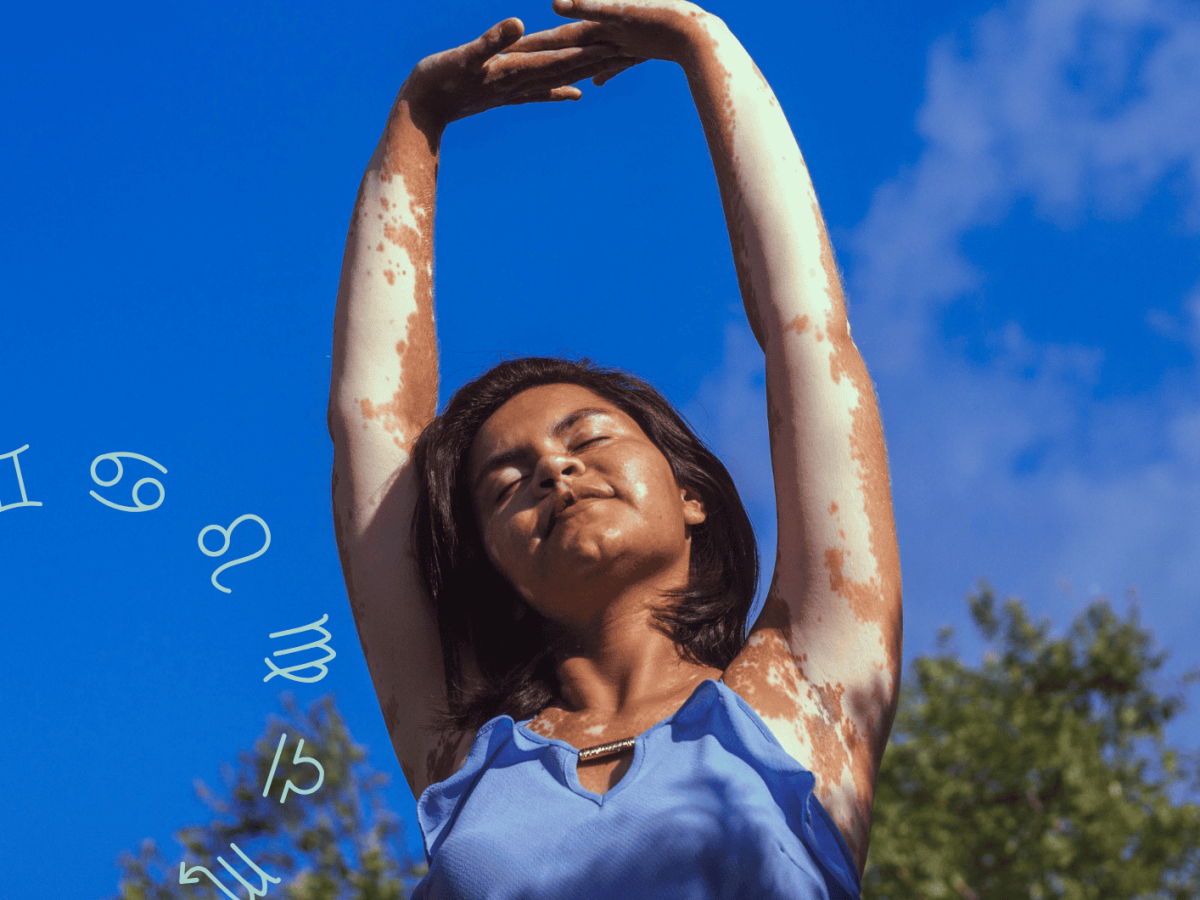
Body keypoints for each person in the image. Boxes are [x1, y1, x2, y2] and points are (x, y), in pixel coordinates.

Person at [327, 1, 902, 896]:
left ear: (691, 494)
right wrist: (414, 124)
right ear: (492, 560)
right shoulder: (463, 754)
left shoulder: (802, 696)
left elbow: (807, 335)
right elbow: (373, 427)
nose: (554, 471)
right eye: (504, 483)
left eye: (588, 438)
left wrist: (700, 42)